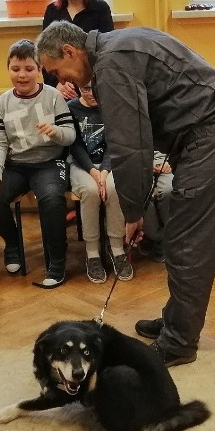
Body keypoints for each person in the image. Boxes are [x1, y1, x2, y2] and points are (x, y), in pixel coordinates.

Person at [36, 21, 215, 366]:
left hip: (212, 135)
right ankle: (177, 321)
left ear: (71, 52)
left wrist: (132, 214)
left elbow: (130, 147)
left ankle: (179, 342)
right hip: (210, 132)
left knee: (187, 242)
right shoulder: (118, 44)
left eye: (58, 71)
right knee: (183, 235)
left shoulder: (112, 64)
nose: (63, 82)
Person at [0, 39, 76, 288]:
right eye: (15, 69)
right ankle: (13, 244)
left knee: (52, 198)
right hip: (17, 164)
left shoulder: (53, 96)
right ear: (8, 69)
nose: (22, 75)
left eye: (28, 69)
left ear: (39, 69)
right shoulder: (2, 102)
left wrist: (56, 131)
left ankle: (56, 261)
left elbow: (70, 135)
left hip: (49, 162)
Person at [67, 84, 132, 283]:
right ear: (77, 88)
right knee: (90, 190)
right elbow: (75, 146)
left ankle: (117, 248)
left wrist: (104, 171)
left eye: (96, 88)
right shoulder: (71, 108)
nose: (92, 94)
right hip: (82, 164)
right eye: (86, 89)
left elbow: (114, 144)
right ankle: (92, 252)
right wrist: (94, 172)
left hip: (109, 164)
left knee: (113, 188)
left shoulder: (112, 106)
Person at [42, 0, 114, 100]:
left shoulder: (100, 9)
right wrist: (57, 84)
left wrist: (90, 83)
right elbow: (46, 53)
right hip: (63, 89)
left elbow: (107, 51)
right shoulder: (52, 11)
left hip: (93, 88)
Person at [137, 152, 172, 264]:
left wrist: (172, 163)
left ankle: (167, 239)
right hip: (140, 165)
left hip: (168, 163)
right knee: (143, 192)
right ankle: (152, 236)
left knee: (169, 191)